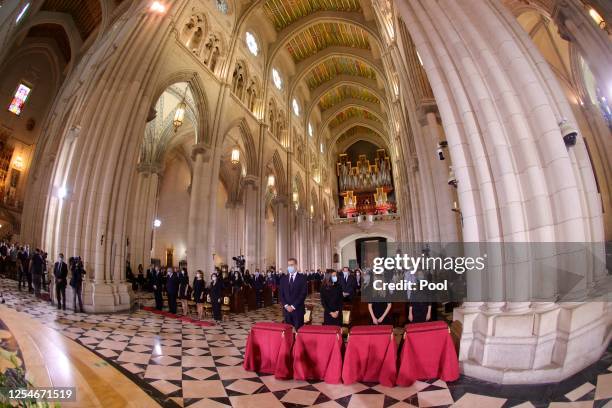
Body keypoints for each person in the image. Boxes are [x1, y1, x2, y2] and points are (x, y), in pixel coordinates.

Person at [279, 258, 308, 330]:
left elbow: (303, 294)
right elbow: (281, 294)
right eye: (288, 265)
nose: (290, 267)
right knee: (288, 333)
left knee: (299, 333)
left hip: (298, 310)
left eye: (291, 265)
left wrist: (293, 306)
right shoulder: (283, 279)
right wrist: (286, 306)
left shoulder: (302, 278)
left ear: (296, 266)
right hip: (287, 311)